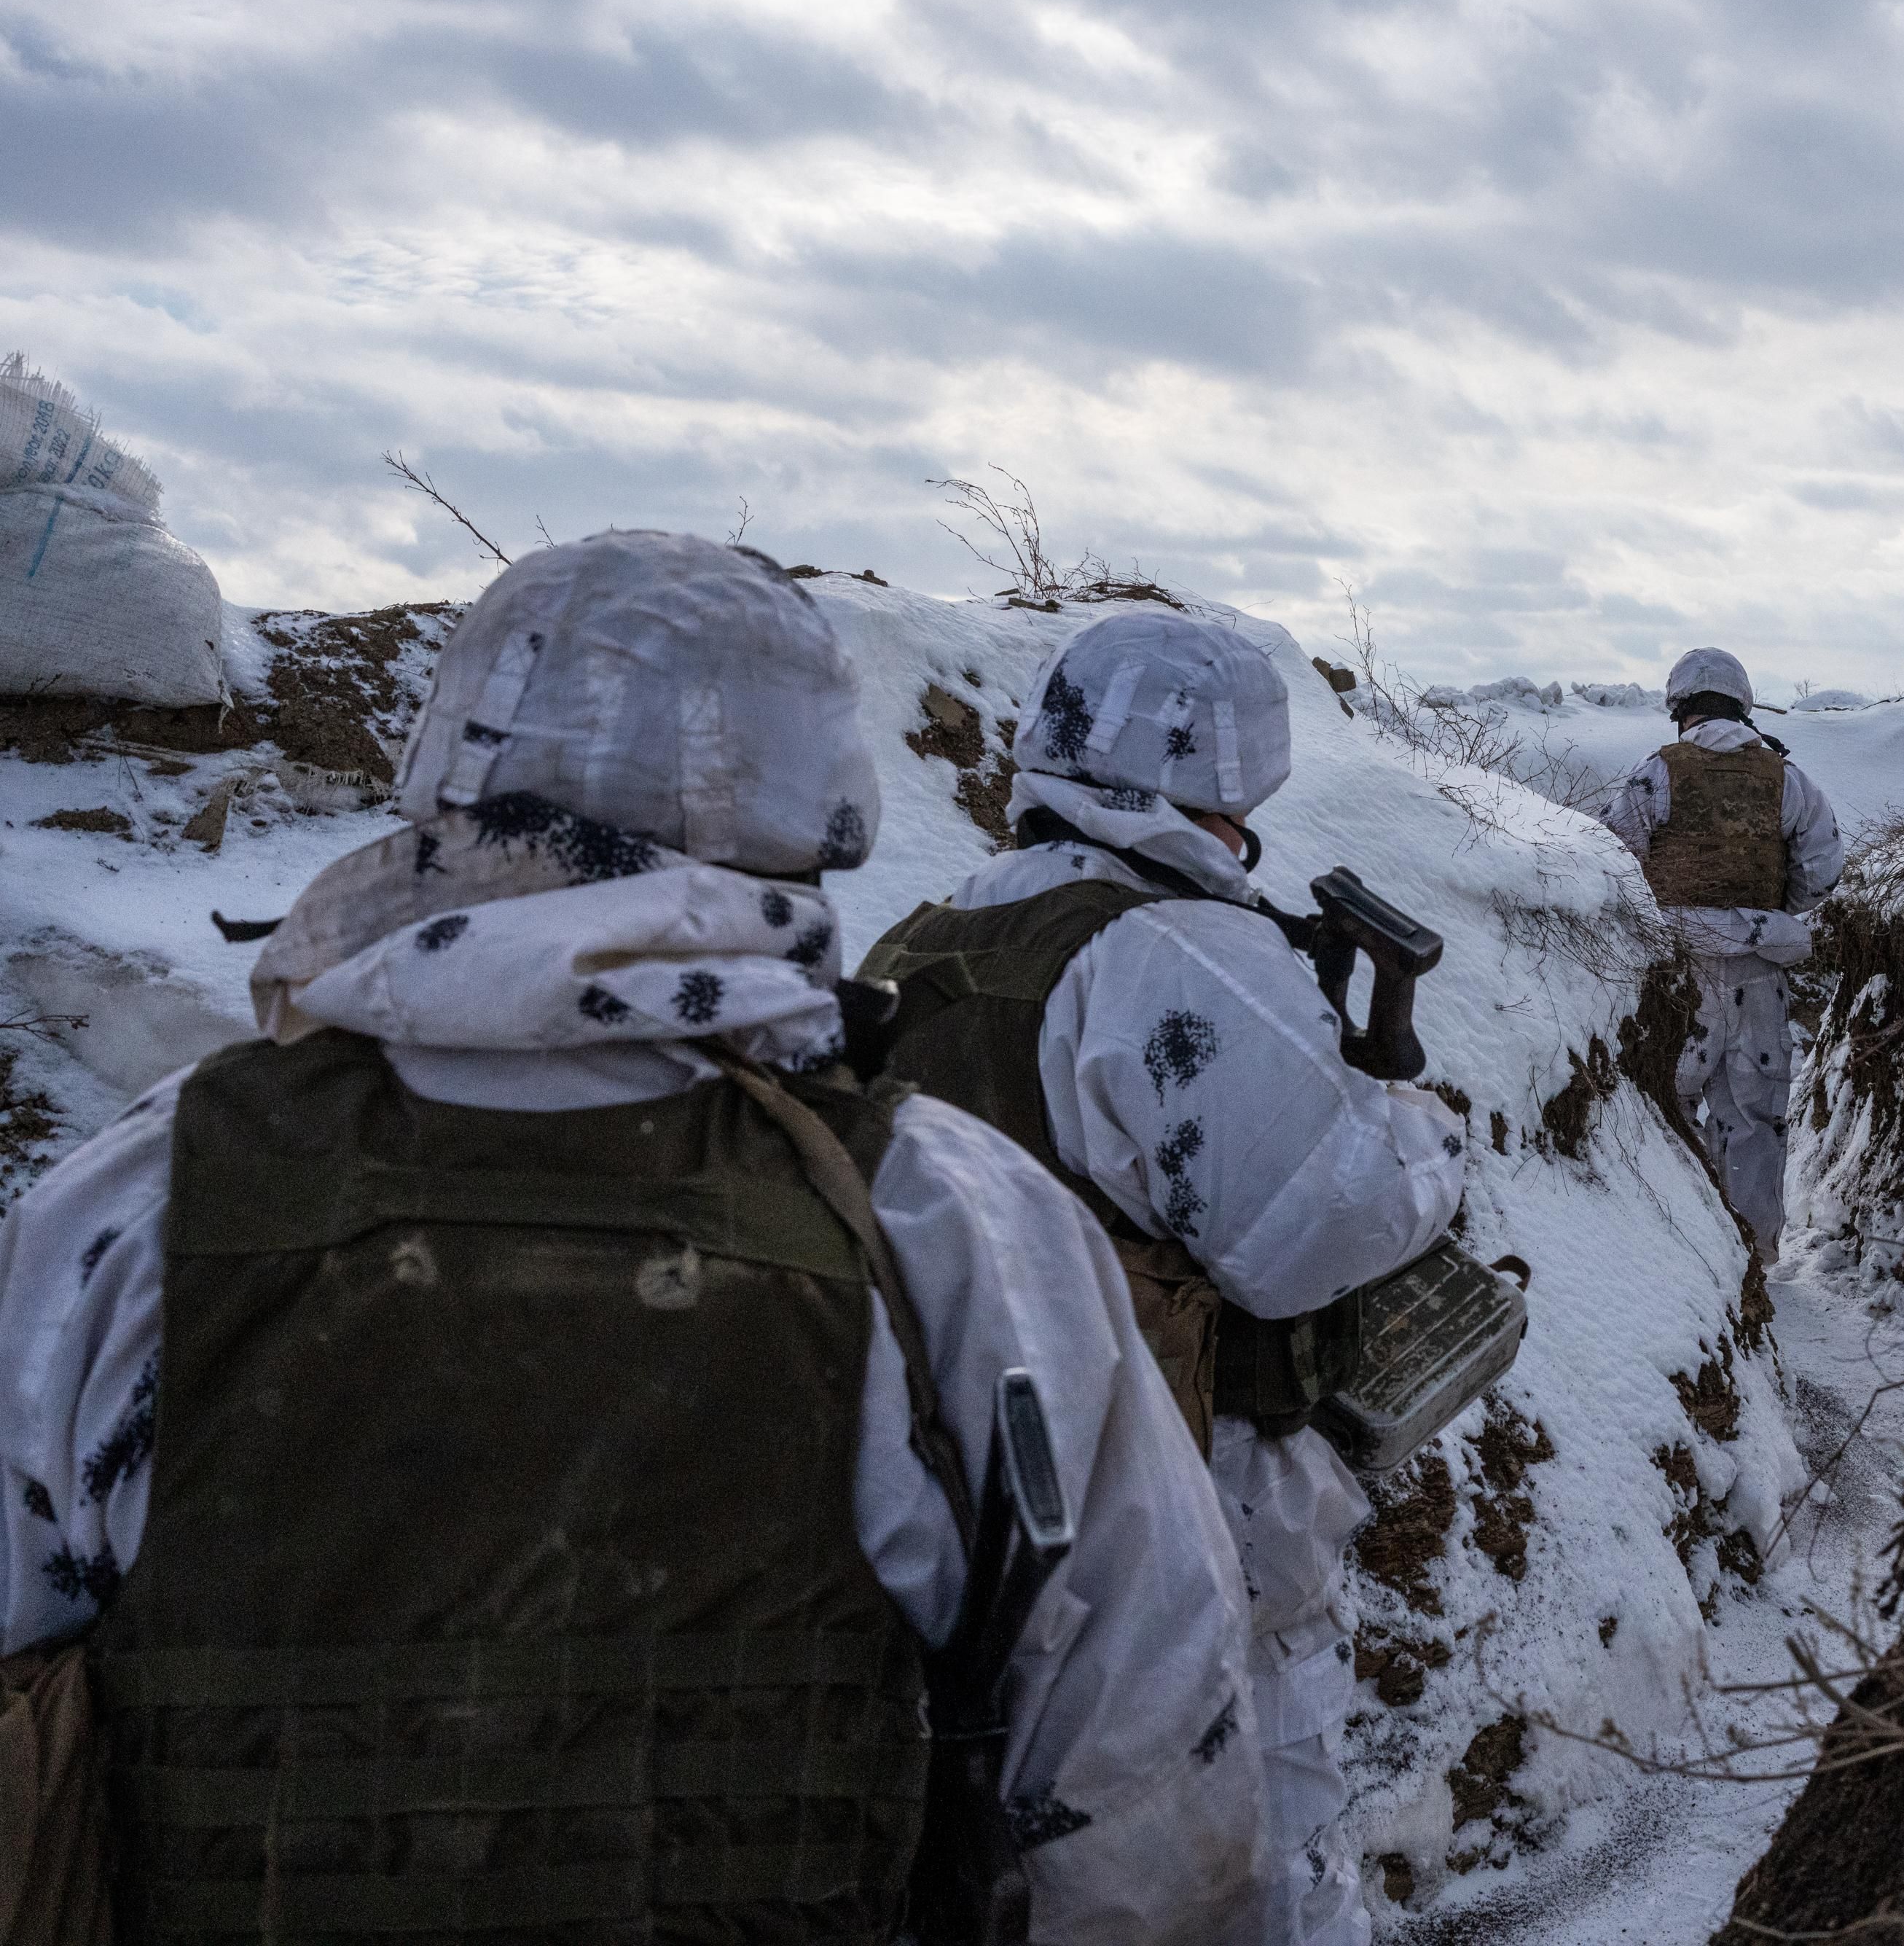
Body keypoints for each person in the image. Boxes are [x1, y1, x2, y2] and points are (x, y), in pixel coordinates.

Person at [0, 534, 1271, 1942]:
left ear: (451, 766)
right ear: (817, 809)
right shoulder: (945, 1225)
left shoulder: (135, 1205)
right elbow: (1156, 1805)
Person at [855, 609, 1465, 1946]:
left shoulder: (929, 936)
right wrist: (1426, 1138)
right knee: (1263, 1846)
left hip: (967, 1482)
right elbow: (1315, 1225)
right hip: (1189, 1483)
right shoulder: (1172, 949)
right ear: (1226, 784)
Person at [1604, 647, 1844, 1259]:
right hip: (1760, 969)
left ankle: (1685, 1257)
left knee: (1666, 1109)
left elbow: (1612, 861)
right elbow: (1821, 873)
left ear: (1679, 708)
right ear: (1743, 704)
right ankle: (1755, 1257)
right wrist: (1762, 913)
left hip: (1674, 970)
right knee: (1754, 1121)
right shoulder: (1789, 779)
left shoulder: (1655, 773)